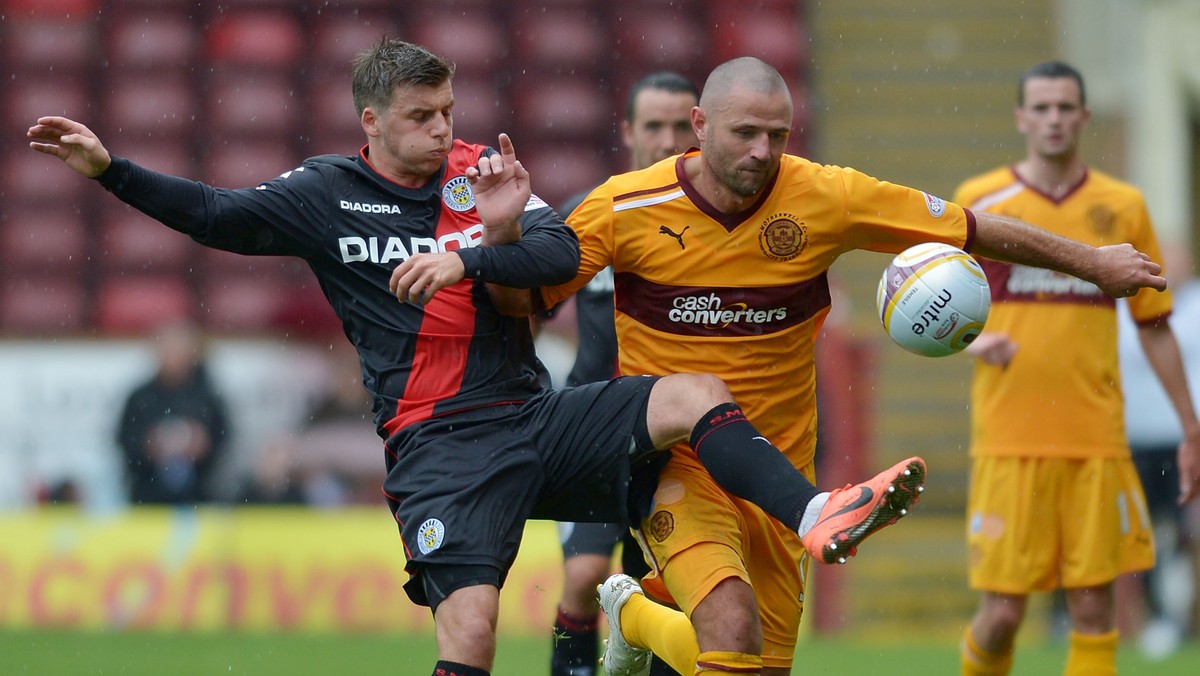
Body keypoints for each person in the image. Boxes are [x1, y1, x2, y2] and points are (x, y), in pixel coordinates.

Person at [29, 39, 930, 676]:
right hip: (439, 446)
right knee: (473, 632)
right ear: (372, 120)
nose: (442, 129)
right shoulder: (322, 194)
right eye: (421, 116)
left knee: (691, 393)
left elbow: (556, 263)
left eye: (448, 110)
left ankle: (814, 509)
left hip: (533, 416)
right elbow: (217, 215)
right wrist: (113, 170)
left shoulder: (481, 174)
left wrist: (490, 232)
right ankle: (636, 614)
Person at [490, 56, 1172, 675]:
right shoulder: (625, 206)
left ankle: (634, 617)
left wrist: (1094, 263)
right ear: (699, 125)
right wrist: (499, 236)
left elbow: (969, 227)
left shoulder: (826, 197)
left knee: (755, 664)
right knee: (731, 628)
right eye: (745, 133)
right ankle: (634, 611)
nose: (763, 152)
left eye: (779, 135)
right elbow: (522, 300)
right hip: (677, 467)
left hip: (779, 471)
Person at [954, 61, 1200, 676]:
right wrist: (970, 343)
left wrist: (1191, 428)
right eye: (1041, 107)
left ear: (1084, 116)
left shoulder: (1121, 207)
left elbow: (1155, 325)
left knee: (1095, 612)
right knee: (1004, 615)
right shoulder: (979, 201)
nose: (1054, 119)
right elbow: (933, 308)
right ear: (1021, 118)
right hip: (1009, 439)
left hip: (1096, 441)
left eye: (1066, 107)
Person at [551, 71, 699, 676]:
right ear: (628, 132)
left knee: (663, 588)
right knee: (585, 576)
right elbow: (523, 306)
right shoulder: (592, 215)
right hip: (591, 429)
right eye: (653, 126)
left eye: (677, 127)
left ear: (699, 131)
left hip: (671, 437)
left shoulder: (713, 225)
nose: (666, 140)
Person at [1118, 247, 1200, 658]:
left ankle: (1179, 616)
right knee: (1143, 535)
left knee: (1184, 532)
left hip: (1182, 439)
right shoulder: (1125, 306)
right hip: (1135, 440)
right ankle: (1153, 616)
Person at [115, 319, 230, 505]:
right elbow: (124, 440)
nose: (172, 356)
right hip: (147, 497)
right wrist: (148, 446)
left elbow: (223, 440)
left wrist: (203, 446)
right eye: (167, 349)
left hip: (199, 495)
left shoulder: (208, 398)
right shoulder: (140, 398)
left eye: (179, 349)